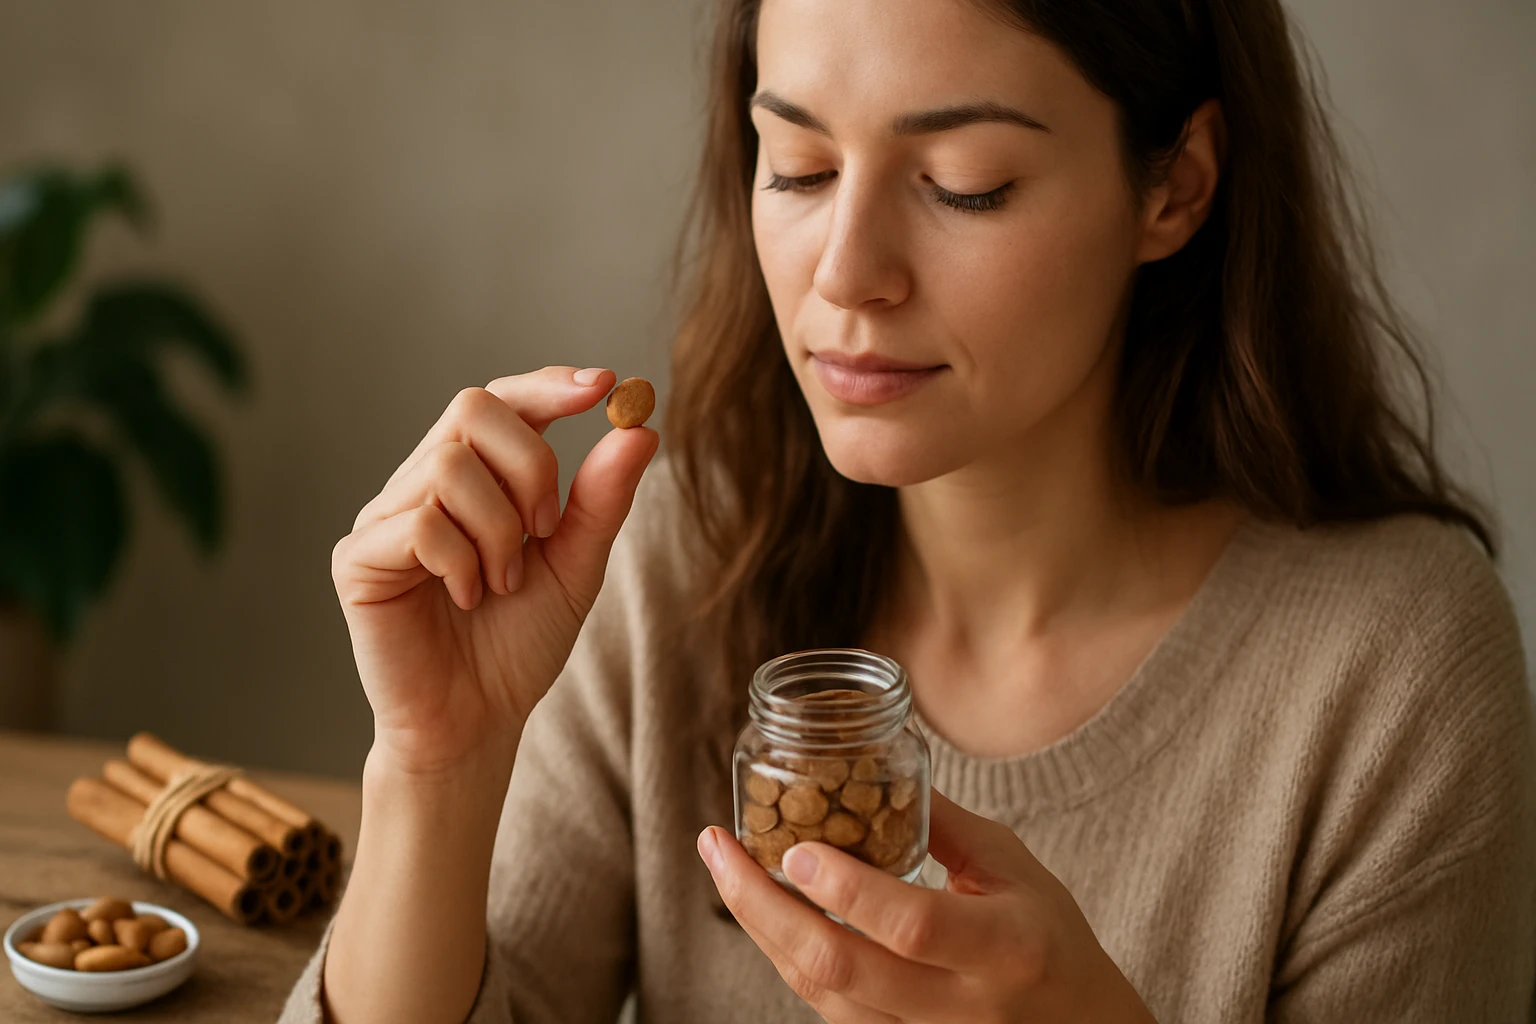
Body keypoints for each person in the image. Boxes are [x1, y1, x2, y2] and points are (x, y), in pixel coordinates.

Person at [281, 0, 1535, 1020]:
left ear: (1177, 186)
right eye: (800, 165)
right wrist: (436, 768)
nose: (844, 273)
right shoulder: (671, 556)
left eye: (965, 182)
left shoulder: (1393, 671)